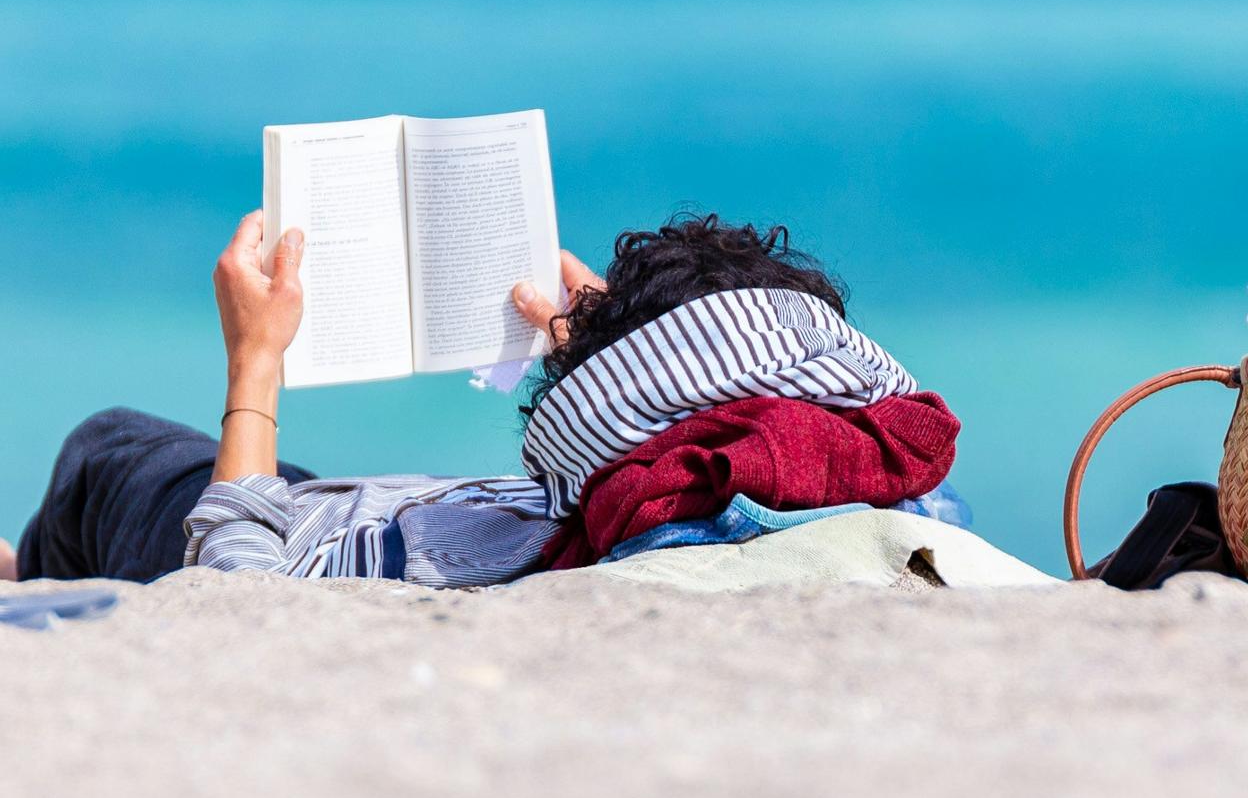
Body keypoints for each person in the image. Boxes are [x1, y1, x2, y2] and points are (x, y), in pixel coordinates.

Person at [2, 211, 960, 585]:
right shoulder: (877, 470)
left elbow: (236, 593)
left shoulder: (534, 560)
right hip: (375, 510)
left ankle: (26, 583)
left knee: (109, 452)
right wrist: (616, 339)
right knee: (293, 481)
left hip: (311, 540)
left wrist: (255, 363)